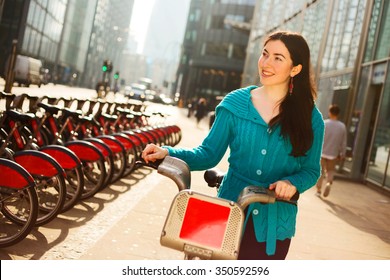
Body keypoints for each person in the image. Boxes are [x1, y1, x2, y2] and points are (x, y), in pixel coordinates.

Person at [142, 31, 324, 260]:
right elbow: (208, 153)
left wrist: (292, 183)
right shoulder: (234, 103)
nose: (266, 63)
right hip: (226, 214)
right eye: (265, 54)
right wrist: (168, 152)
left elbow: (311, 170)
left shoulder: (311, 118)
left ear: (295, 69)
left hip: (273, 226)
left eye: (278, 58)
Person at [315, 104, 347, 197]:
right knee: (330, 170)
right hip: (333, 154)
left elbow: (317, 138)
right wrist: (342, 153)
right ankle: (329, 183)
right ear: (338, 114)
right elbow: (343, 142)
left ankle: (318, 190)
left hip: (322, 152)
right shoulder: (342, 126)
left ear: (330, 112)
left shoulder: (324, 123)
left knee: (320, 171)